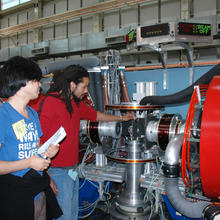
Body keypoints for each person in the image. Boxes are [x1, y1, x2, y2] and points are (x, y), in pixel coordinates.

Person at [35, 65, 135, 220]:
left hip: (72, 169)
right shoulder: (50, 103)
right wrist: (46, 175)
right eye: (84, 87)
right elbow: (38, 140)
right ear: (72, 85)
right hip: (57, 171)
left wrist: (122, 118)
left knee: (73, 213)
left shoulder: (74, 103)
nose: (86, 91)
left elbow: (96, 116)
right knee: (64, 216)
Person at [0, 56, 62, 220]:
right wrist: (28, 163)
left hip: (36, 190)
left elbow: (36, 150)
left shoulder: (32, 113)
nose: (40, 85)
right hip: (13, 195)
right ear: (21, 83)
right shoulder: (3, 115)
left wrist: (47, 152)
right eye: (36, 80)